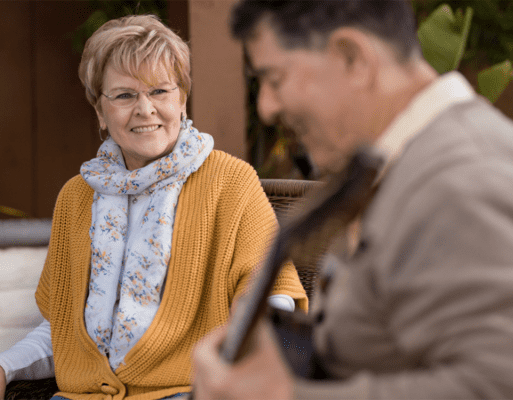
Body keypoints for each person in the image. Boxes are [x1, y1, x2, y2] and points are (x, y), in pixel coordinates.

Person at [191, 1, 513, 399]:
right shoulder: (397, 166)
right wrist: (286, 347)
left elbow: (496, 385)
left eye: (275, 79)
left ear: (352, 57)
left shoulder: (460, 179)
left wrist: (280, 396)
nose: (267, 108)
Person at [0, 14, 308, 400]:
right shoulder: (76, 197)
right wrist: (0, 366)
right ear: (100, 112)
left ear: (182, 100)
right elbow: (64, 330)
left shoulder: (231, 182)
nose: (145, 108)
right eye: (124, 95)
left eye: (160, 92)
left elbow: (271, 304)